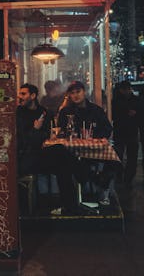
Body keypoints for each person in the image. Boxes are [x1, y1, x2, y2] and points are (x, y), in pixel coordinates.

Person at [16, 83, 92, 215]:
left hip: (42, 154)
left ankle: (70, 206)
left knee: (63, 165)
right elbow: (26, 141)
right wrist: (36, 129)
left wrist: (40, 135)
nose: (19, 97)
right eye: (19, 94)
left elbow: (49, 134)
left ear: (33, 96)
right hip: (26, 158)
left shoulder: (43, 112)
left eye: (23, 94)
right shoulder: (18, 114)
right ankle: (85, 175)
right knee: (61, 153)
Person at [56, 81, 117, 197]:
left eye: (78, 92)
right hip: (74, 151)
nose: (75, 95)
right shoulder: (66, 111)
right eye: (72, 93)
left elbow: (107, 128)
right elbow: (62, 130)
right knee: (70, 161)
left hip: (94, 149)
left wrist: (97, 138)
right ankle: (95, 179)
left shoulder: (96, 110)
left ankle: (103, 184)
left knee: (114, 159)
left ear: (84, 92)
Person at [111, 81, 140, 188]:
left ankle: (128, 178)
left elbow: (141, 113)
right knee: (119, 155)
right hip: (120, 131)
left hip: (131, 131)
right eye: (124, 89)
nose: (126, 91)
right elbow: (114, 115)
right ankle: (120, 176)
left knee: (132, 157)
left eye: (127, 89)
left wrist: (135, 115)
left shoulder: (135, 100)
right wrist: (126, 113)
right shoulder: (116, 101)